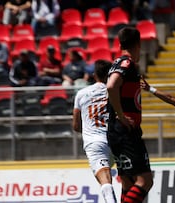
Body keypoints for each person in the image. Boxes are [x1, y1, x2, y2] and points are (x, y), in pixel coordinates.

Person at [106, 26, 153, 203]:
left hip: (116, 131)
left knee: (127, 182)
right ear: (138, 44)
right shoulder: (127, 63)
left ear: (119, 44)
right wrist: (121, 114)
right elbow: (111, 86)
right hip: (126, 131)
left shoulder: (116, 63)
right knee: (145, 181)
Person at [72, 59, 117, 203]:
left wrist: (87, 131)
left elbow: (76, 125)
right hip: (116, 140)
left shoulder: (81, 93)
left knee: (105, 180)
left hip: (95, 142)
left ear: (94, 75)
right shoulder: (115, 91)